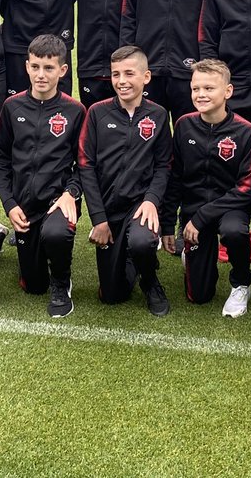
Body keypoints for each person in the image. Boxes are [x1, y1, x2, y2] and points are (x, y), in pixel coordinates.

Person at [0, 35, 87, 318]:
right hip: (23, 204)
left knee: (55, 234)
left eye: (48, 68)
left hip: (59, 202)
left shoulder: (75, 111)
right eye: (35, 67)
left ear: (62, 70)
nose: (40, 75)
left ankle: (61, 281)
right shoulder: (12, 107)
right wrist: (10, 205)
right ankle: (0, 238)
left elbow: (84, 165)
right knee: (32, 286)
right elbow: (1, 161)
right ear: (26, 67)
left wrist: (71, 193)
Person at [77, 45, 173, 316]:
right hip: (108, 208)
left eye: (129, 73)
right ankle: (128, 254)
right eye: (116, 74)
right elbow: (86, 166)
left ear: (146, 77)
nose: (121, 81)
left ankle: (151, 280)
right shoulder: (96, 113)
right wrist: (99, 219)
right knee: (111, 295)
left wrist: (152, 200)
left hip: (141, 205)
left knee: (141, 241)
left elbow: (164, 165)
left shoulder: (158, 115)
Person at [161, 60, 251, 317]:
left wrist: (201, 217)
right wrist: (168, 224)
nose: (201, 94)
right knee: (199, 296)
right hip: (193, 213)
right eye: (196, 89)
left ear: (227, 91)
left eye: (209, 88)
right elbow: (175, 178)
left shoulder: (245, 131)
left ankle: (241, 281)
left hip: (231, 210)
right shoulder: (184, 125)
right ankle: (196, 260)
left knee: (233, 231)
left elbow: (247, 188)